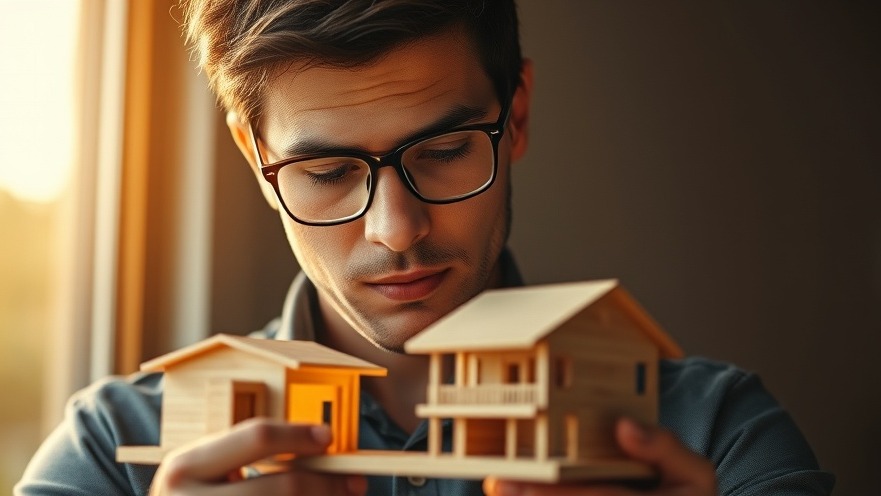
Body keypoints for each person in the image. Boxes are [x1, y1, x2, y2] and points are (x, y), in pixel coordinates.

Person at [17, 1, 834, 495]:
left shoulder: (715, 435)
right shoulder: (113, 450)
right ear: (254, 160)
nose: (396, 230)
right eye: (328, 171)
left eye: (443, 153)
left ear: (514, 118)